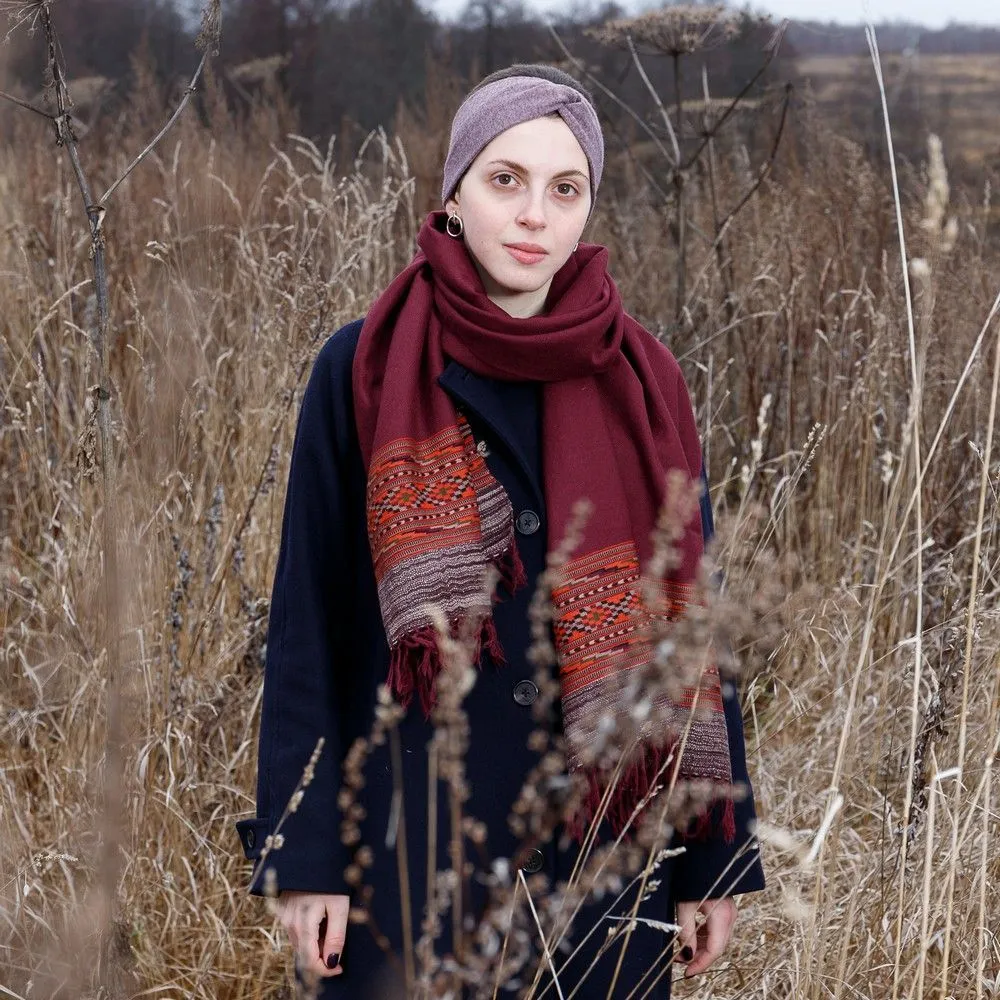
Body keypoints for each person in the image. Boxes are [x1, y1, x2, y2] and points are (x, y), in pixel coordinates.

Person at [235, 63, 765, 998]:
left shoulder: (645, 381)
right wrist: (302, 856)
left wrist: (712, 862)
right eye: (506, 179)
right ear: (455, 193)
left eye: (565, 189)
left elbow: (694, 627)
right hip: (406, 855)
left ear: (588, 207)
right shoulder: (362, 366)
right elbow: (307, 624)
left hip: (603, 858)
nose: (533, 215)